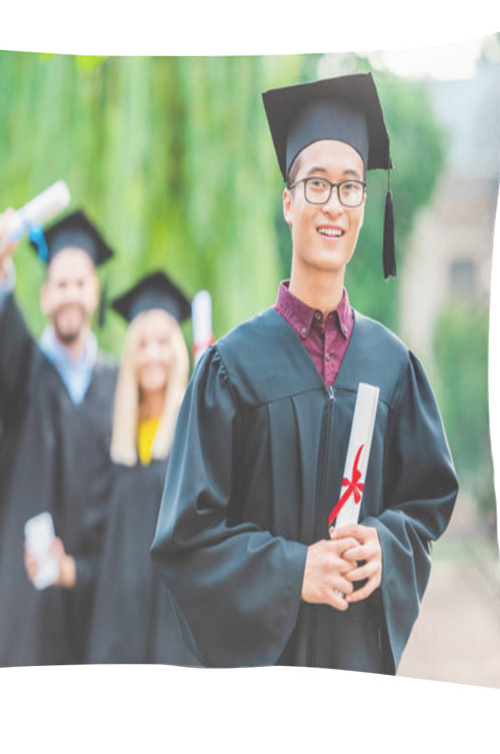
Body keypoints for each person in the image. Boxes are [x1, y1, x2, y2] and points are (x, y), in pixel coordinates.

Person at [151, 72, 459, 674]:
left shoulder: (392, 368)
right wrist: (294, 571)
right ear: (288, 200)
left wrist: (385, 545)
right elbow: (185, 539)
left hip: (355, 671)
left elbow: (426, 504)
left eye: (349, 188)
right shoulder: (230, 369)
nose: (333, 205)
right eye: (316, 184)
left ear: (365, 209)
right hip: (262, 680)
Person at [26, 272, 200, 664]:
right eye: (142, 344)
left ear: (177, 350)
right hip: (115, 637)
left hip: (173, 643)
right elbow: (101, 557)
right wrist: (65, 566)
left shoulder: (195, 437)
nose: (152, 354)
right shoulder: (117, 447)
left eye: (162, 342)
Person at [0, 208, 118, 667]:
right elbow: (2, 341)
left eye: (80, 284)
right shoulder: (25, 371)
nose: (70, 295)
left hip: (92, 603)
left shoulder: (119, 387)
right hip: (24, 607)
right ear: (43, 296)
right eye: (60, 285)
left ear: (94, 292)